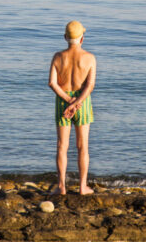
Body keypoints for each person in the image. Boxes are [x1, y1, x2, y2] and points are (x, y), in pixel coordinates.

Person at [48, 20, 97, 195]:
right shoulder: (89, 58)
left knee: (62, 146)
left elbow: (52, 83)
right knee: (82, 146)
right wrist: (77, 102)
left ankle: (61, 186)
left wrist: (69, 100)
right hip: (82, 103)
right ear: (82, 38)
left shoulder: (58, 57)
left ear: (65, 38)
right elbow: (90, 86)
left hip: (63, 101)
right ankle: (83, 186)